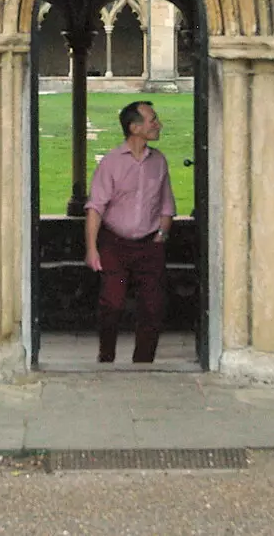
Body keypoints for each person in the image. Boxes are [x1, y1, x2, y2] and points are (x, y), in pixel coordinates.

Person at [84, 100, 176, 363]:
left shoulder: (158, 162)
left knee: (153, 306)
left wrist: (161, 236)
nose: (158, 124)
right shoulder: (112, 163)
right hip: (115, 245)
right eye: (153, 120)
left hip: (149, 246)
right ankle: (106, 355)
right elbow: (95, 208)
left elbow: (166, 205)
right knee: (112, 303)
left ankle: (144, 362)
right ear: (135, 128)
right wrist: (92, 249)